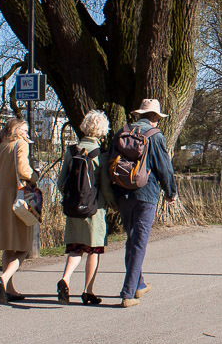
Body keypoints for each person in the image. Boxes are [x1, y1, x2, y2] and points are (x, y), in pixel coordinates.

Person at [108, 99, 177, 308]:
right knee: (139, 242)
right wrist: (170, 192)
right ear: (155, 117)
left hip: (123, 192)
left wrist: (112, 193)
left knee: (131, 239)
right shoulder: (155, 136)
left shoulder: (122, 132)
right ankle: (128, 293)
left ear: (139, 114)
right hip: (146, 194)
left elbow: (109, 162)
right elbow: (164, 167)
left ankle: (139, 284)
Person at [57, 110, 116, 305]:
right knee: (93, 250)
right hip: (94, 209)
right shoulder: (100, 154)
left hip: (74, 208)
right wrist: (113, 205)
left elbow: (60, 183)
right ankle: (87, 291)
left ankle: (65, 279)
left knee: (75, 249)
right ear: (101, 130)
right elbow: (106, 188)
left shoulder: (71, 150)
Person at [0, 118, 38, 304]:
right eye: (24, 129)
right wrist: (35, 175)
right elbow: (24, 170)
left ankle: (9, 289)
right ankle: (4, 279)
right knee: (24, 246)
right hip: (18, 199)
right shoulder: (20, 144)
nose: (26, 133)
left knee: (8, 245)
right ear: (15, 130)